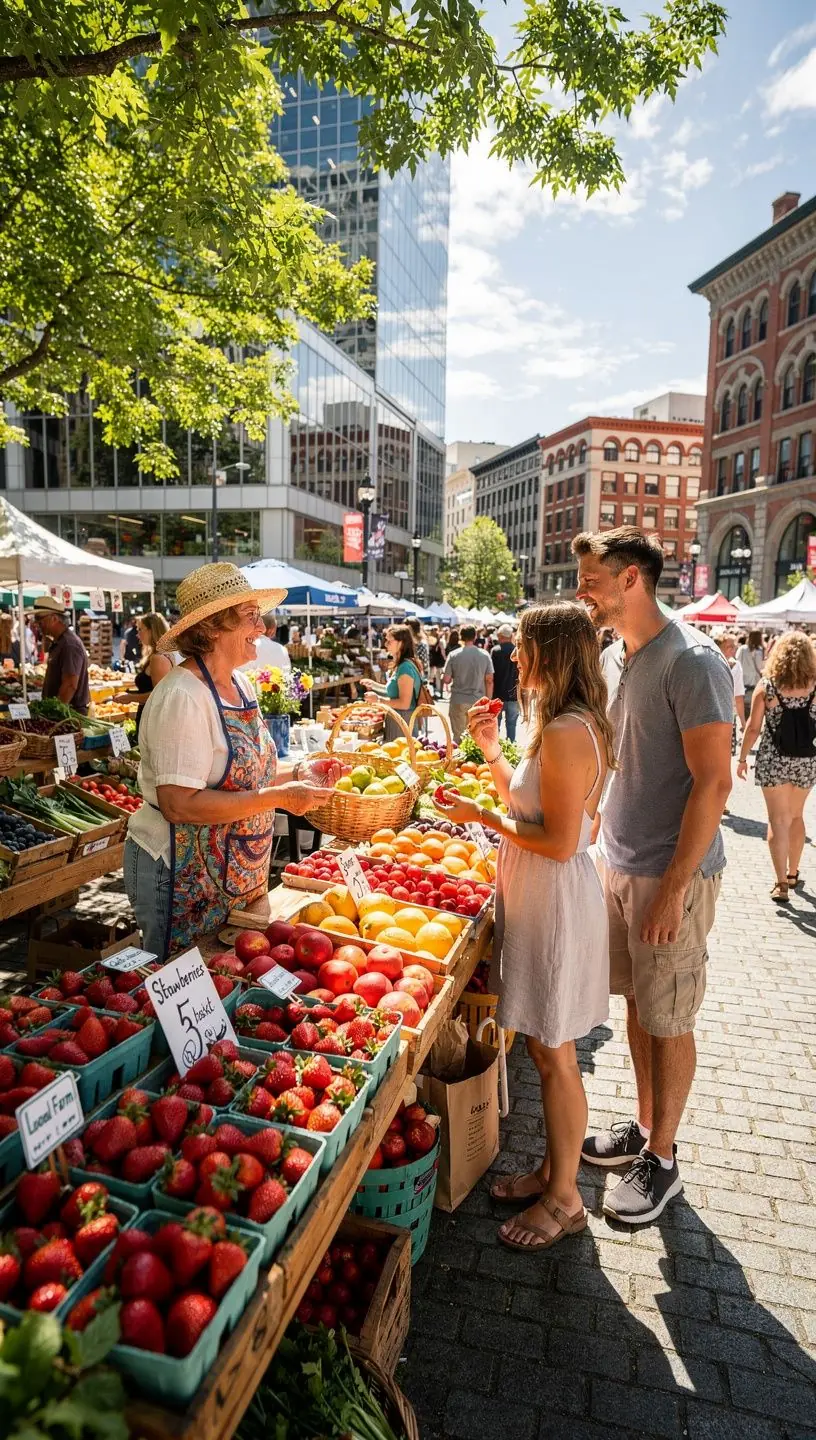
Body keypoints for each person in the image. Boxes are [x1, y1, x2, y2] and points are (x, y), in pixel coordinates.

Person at [434, 603, 613, 1251]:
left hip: (558, 902)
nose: (513, 657)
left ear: (550, 652)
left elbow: (560, 841)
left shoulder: (568, 729)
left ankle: (566, 1201)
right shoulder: (564, 723)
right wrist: (487, 754)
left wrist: (484, 821)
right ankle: (552, 1171)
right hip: (547, 899)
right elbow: (529, 807)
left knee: (557, 1056)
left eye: (521, 646)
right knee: (545, 1049)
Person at [573, 526, 733, 1225]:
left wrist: (673, 887)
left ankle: (663, 1158)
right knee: (640, 1004)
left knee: (668, 1018)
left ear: (632, 577)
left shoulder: (692, 661)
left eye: (593, 580)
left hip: (673, 876)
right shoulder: (617, 656)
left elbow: (717, 783)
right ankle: (643, 1127)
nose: (584, 591)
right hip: (621, 862)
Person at [124, 563, 326, 959]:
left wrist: (302, 772)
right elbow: (178, 803)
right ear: (214, 627)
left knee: (229, 979)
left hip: (238, 873)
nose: (264, 628)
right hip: (179, 875)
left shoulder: (241, 684)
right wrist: (278, 797)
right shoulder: (182, 696)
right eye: (251, 617)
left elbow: (251, 774)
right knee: (183, 987)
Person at [736, 630, 816, 903]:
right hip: (806, 761)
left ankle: (781, 883)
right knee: (796, 816)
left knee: (777, 820)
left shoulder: (767, 687)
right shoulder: (815, 687)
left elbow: (753, 728)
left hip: (773, 760)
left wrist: (742, 757)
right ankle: (794, 873)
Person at [121, 613, 175, 740]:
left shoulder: (159, 658)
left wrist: (130, 697)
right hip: (153, 720)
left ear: (152, 630)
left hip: (153, 722)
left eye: (140, 629)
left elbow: (159, 696)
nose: (137, 634)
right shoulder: (161, 654)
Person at [363, 625, 422, 740]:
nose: (385, 644)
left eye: (389, 641)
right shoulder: (402, 665)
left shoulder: (405, 667)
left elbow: (404, 703)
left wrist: (379, 701)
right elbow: (393, 691)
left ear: (401, 643)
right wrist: (374, 685)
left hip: (402, 721)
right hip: (398, 719)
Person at [34, 596, 91, 715]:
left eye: (40, 619)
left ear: (54, 619)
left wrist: (55, 714)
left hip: (69, 715)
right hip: (64, 713)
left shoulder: (69, 644)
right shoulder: (59, 642)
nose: (37, 624)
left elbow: (70, 684)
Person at [443, 625, 493, 743]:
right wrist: (488, 700)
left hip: (458, 700)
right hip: (478, 700)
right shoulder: (484, 655)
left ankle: (458, 761)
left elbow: (446, 679)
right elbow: (489, 680)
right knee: (476, 737)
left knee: (458, 736)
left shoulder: (453, 655)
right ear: (475, 636)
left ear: (461, 637)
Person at [490, 624, 520, 743]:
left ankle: (494, 748)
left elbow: (491, 674)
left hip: (497, 693)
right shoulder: (516, 650)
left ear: (500, 636)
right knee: (512, 724)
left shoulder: (495, 651)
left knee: (495, 724)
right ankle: (511, 747)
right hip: (513, 694)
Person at [736, 630, 765, 712]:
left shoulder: (742, 649)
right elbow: (761, 667)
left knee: (745, 706)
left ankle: (745, 723)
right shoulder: (760, 651)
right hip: (756, 681)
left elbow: (738, 662)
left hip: (744, 680)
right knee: (755, 706)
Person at [428, 630, 445, 697]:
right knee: (438, 677)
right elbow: (443, 652)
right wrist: (445, 658)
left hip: (432, 661)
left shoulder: (430, 641)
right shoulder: (440, 642)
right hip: (439, 661)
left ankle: (432, 691)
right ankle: (437, 691)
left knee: (431, 677)